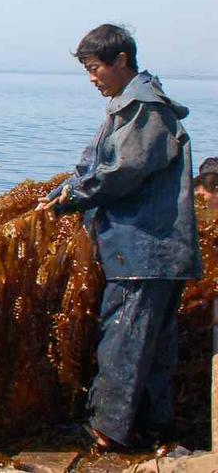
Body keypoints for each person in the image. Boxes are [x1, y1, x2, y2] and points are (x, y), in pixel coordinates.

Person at [36, 24, 201, 450]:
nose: (92, 78)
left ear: (122, 61)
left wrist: (73, 197)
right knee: (153, 345)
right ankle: (151, 427)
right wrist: (56, 195)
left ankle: (107, 431)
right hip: (147, 251)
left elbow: (123, 172)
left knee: (124, 339)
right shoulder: (124, 108)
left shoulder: (145, 109)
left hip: (145, 249)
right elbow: (90, 167)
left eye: (95, 68)